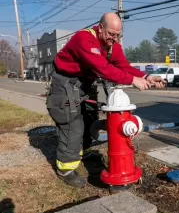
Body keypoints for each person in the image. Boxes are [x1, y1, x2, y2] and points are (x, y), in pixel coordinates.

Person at [46, 12, 166, 188]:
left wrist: (147, 76)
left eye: (118, 35)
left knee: (89, 118)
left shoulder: (112, 46)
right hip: (65, 83)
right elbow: (102, 68)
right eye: (111, 34)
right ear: (100, 27)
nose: (114, 38)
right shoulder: (84, 39)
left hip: (85, 84)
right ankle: (65, 168)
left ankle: (84, 152)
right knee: (73, 124)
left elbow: (123, 66)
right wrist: (133, 81)